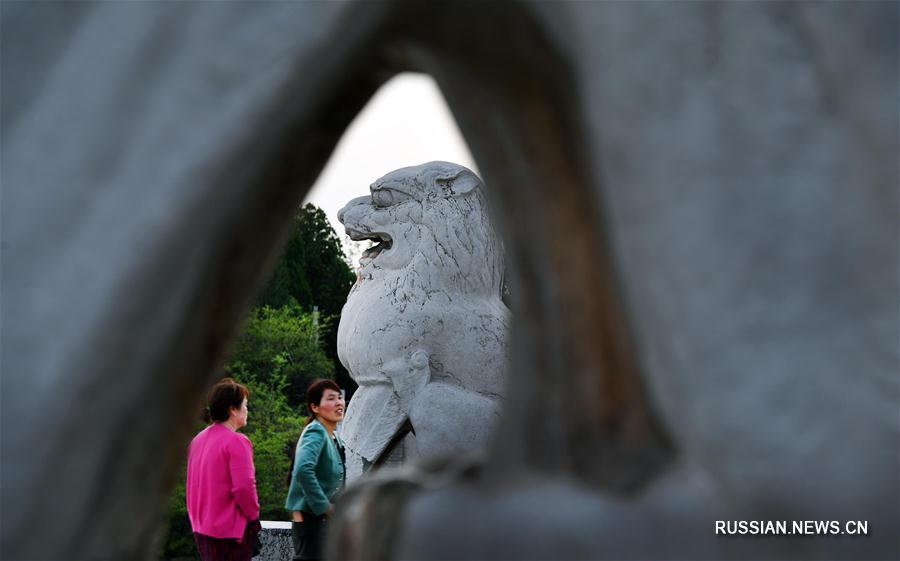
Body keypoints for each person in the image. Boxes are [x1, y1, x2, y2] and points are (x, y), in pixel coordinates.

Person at [186, 377, 261, 561]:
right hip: (230, 532)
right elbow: (244, 487)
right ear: (233, 409)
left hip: (201, 528)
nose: (246, 410)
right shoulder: (237, 441)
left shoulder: (198, 440)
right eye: (245, 405)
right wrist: (254, 516)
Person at [285, 379, 346, 561]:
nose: (338, 403)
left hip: (322, 522)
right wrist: (325, 507)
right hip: (311, 521)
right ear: (315, 407)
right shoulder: (316, 432)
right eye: (331, 398)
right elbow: (303, 470)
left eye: (340, 398)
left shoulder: (333, 436)